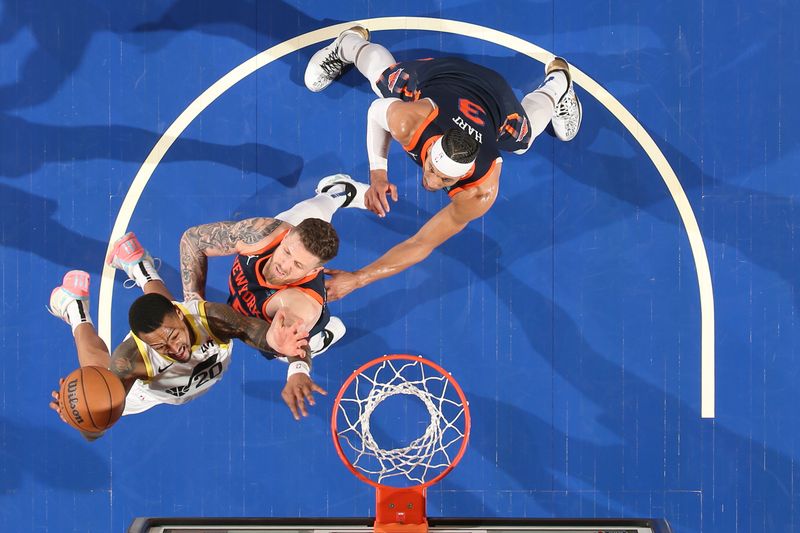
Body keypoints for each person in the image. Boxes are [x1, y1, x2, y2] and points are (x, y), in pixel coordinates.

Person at [304, 27, 583, 300]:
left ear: (466, 173)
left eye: (446, 180)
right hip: (444, 76)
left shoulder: (480, 190)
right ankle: (349, 44)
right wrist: (378, 173)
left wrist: (359, 278)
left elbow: (422, 242)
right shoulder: (410, 122)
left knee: (522, 141)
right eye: (432, 170)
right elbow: (376, 113)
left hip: (493, 97)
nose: (433, 182)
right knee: (385, 83)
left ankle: (559, 83)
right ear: (434, 147)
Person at [48, 235, 317, 440]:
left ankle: (139, 266)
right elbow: (95, 433)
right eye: (160, 345)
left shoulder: (213, 318)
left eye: (174, 335)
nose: (175, 348)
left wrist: (296, 366)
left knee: (163, 311)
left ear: (180, 312)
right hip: (154, 392)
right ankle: (75, 308)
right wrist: (81, 416)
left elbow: (272, 335)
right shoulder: (130, 362)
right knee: (95, 370)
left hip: (184, 335)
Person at [179, 173, 368, 359]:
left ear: (314, 271)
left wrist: (297, 368)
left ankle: (323, 339)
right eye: (286, 252)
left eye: (297, 264)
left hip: (268, 322)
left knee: (283, 350)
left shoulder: (301, 304)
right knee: (309, 210)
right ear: (286, 238)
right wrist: (192, 304)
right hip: (284, 236)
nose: (283, 265)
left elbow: (294, 344)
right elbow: (193, 240)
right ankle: (339, 191)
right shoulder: (265, 233)